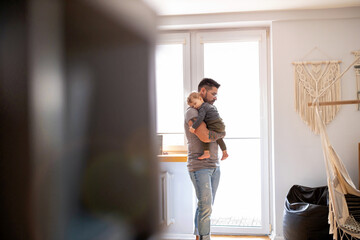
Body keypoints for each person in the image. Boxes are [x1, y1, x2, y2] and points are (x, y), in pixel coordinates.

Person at [184, 78, 226, 240]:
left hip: (214, 164)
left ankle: (199, 237)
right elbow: (206, 136)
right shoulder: (192, 112)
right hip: (200, 165)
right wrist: (222, 134)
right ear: (202, 91)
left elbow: (214, 132)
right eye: (213, 93)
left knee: (205, 206)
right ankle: (204, 238)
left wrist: (219, 133)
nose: (216, 97)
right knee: (206, 207)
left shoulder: (207, 111)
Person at [187, 92, 228, 160]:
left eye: (195, 103)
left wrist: (193, 127)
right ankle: (225, 152)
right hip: (220, 124)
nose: (195, 107)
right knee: (219, 138)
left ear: (200, 99)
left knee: (206, 136)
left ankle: (206, 152)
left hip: (214, 124)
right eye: (192, 106)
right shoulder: (209, 105)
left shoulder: (202, 108)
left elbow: (200, 118)